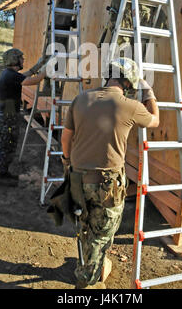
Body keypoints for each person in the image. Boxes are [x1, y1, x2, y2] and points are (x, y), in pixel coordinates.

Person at [60, 57, 159, 289]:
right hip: (107, 185)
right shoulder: (131, 106)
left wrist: (67, 161)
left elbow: (66, 138)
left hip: (77, 178)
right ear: (128, 82)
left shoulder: (80, 99)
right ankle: (87, 284)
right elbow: (155, 120)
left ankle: (88, 265)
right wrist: (149, 91)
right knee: (102, 235)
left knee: (84, 225)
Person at [0, 48, 47, 186]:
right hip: (8, 115)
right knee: (8, 144)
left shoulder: (10, 74)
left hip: (7, 112)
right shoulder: (11, 75)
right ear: (15, 60)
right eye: (21, 58)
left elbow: (27, 75)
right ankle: (2, 175)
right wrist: (47, 71)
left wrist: (39, 65)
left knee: (6, 143)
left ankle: (2, 171)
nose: (23, 60)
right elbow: (33, 80)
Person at [43, 0, 81, 95]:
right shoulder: (61, 0)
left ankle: (57, 84)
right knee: (51, 56)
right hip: (55, 31)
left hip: (65, 32)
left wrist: (73, 22)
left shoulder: (74, 5)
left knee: (61, 58)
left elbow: (70, 22)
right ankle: (47, 85)